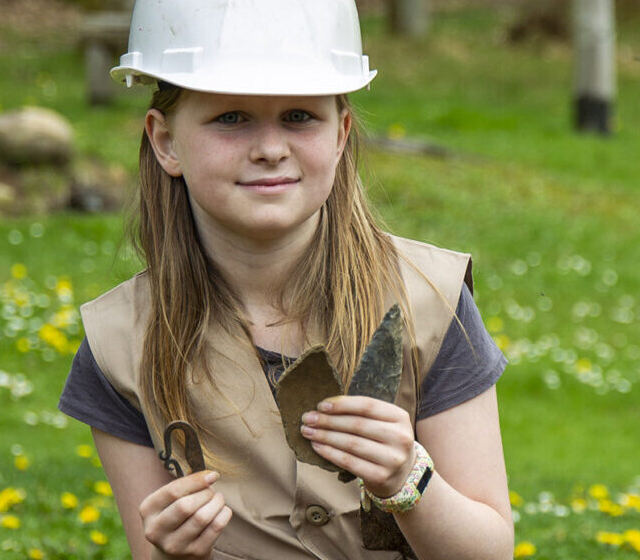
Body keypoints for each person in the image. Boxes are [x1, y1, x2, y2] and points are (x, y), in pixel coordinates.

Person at [57, 1, 513, 558]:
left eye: (299, 116)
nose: (271, 149)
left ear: (341, 134)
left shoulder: (430, 303)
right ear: (166, 141)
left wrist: (408, 481)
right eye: (230, 118)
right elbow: (150, 547)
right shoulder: (120, 344)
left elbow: (490, 551)